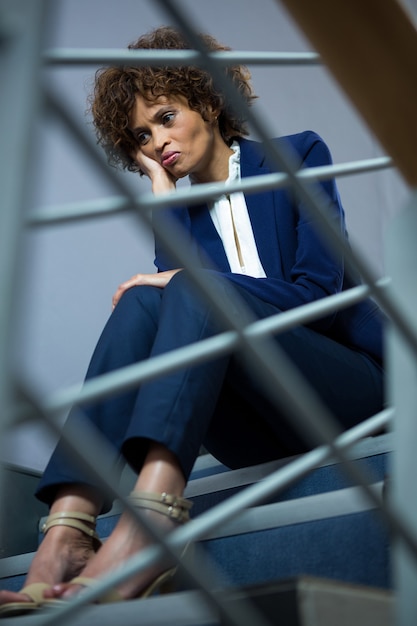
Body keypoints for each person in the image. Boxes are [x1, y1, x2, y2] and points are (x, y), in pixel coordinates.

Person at [0, 26, 384, 616]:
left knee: (187, 288)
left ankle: (149, 524)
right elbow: (177, 297)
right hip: (259, 421)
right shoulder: (182, 208)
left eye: (165, 117)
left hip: (347, 392)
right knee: (143, 301)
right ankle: (69, 531)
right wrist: (162, 194)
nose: (157, 143)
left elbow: (316, 292)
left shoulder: (298, 155)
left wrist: (194, 281)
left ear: (208, 99)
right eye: (140, 136)